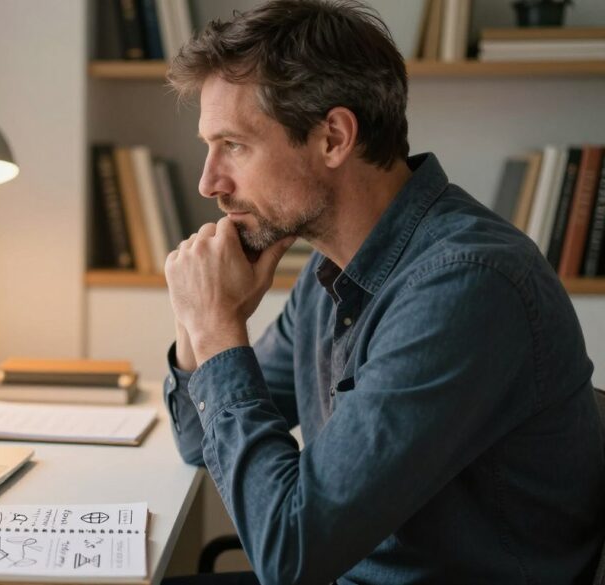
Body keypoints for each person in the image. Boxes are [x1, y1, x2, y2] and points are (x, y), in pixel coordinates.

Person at [159, 1, 605, 584]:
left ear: (334, 137)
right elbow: (199, 440)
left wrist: (218, 328)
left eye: (234, 145)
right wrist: (196, 313)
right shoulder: (332, 274)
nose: (209, 181)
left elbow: (291, 555)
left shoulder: (465, 286)